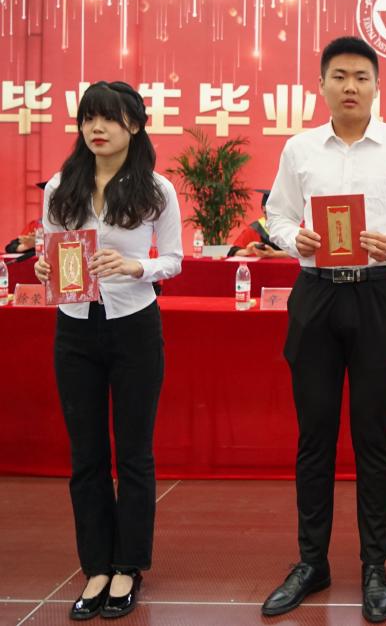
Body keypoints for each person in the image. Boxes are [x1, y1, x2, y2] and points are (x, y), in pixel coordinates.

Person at [261, 36, 386, 622]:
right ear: (321, 85)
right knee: (314, 436)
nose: (350, 87)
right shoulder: (299, 149)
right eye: (338, 76)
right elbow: (276, 213)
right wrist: (293, 238)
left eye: (361, 77)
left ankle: (374, 565)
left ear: (377, 86)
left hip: (376, 294)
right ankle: (312, 561)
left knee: (373, 435)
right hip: (315, 293)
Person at [33, 81, 182, 620]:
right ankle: (95, 565)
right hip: (75, 327)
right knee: (87, 454)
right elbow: (49, 251)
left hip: (135, 324)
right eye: (88, 118)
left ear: (135, 126)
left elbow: (174, 260)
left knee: (134, 453)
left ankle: (127, 566)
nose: (96, 128)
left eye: (109, 119)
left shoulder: (156, 189)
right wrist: (44, 267)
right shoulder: (60, 185)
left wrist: (136, 265)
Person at [227, 190, 289, 258]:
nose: (269, 217)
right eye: (266, 212)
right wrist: (248, 251)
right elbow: (233, 252)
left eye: (273, 213)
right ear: (262, 209)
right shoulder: (254, 229)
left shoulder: (293, 229)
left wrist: (274, 254)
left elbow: (298, 254)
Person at [4, 182, 47, 259]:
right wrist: (29, 245)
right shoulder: (36, 225)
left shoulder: (68, 225)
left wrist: (39, 242)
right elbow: (10, 247)